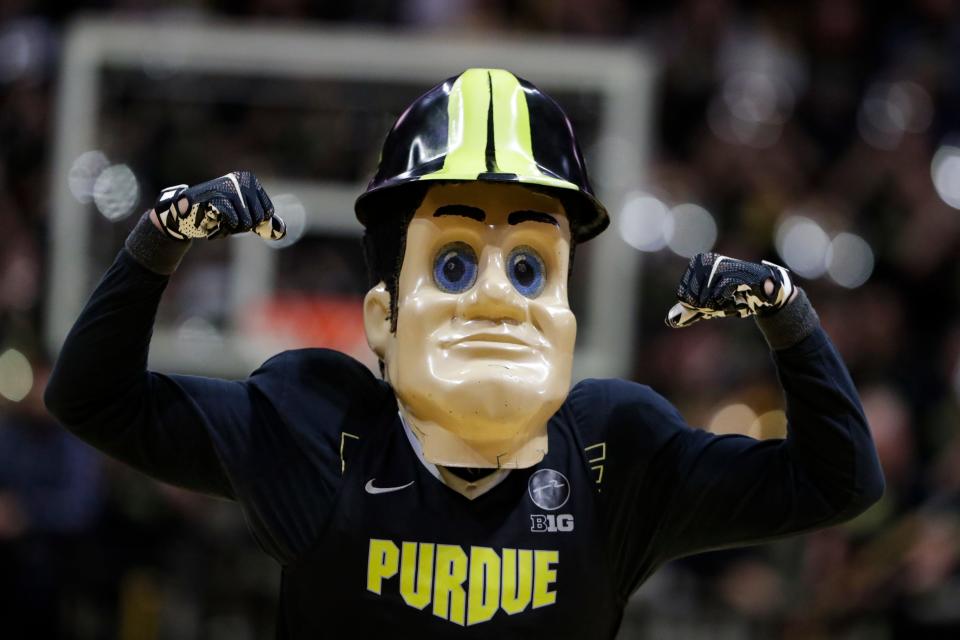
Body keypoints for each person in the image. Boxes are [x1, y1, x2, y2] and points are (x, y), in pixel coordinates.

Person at [45, 68, 884, 638]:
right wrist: (158, 240)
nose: (493, 296)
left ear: (566, 316)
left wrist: (789, 317)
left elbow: (840, 482)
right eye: (453, 262)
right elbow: (90, 398)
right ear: (384, 317)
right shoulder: (317, 429)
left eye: (529, 267)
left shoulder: (614, 456)